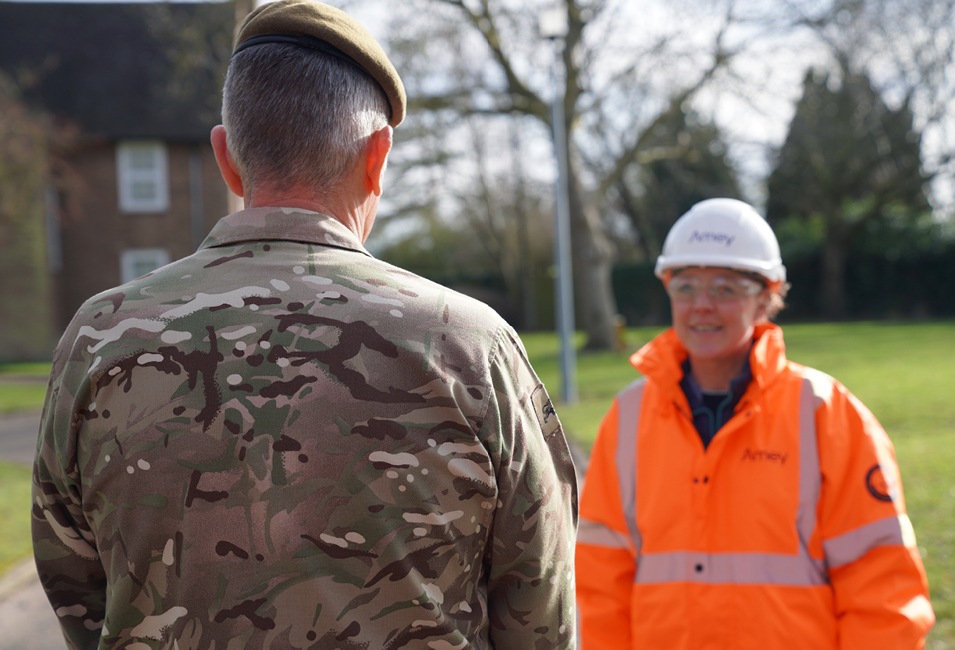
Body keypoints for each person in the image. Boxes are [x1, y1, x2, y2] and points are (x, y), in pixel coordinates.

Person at [31, 1, 578, 648]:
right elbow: (537, 610)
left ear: (226, 158)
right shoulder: (469, 345)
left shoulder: (101, 339)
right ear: (377, 158)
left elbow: (77, 594)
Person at [575, 198, 934, 649]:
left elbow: (882, 588)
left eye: (725, 288)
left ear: (767, 296)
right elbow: (601, 586)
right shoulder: (628, 418)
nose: (702, 305)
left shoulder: (828, 415)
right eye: (686, 287)